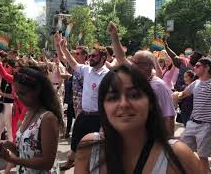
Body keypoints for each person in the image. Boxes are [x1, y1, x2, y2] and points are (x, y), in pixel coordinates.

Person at [74, 64, 203, 174]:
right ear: (103, 106)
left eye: (134, 95)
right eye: (113, 98)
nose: (123, 104)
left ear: (150, 102)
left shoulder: (177, 156)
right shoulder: (89, 149)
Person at [0, 66, 64, 173]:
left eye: (22, 93)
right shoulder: (29, 112)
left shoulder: (48, 118)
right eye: (16, 93)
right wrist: (6, 144)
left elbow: (47, 163)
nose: (18, 97)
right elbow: (23, 151)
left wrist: (10, 158)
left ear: (37, 91)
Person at [108, 22, 176, 136]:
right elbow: (121, 58)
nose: (132, 65)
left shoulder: (159, 86)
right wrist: (114, 34)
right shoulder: (136, 75)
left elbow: (168, 116)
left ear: (148, 66)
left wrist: (168, 145)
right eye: (133, 61)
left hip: (153, 137)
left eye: (136, 63)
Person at [54, 32, 109, 170]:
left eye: (94, 56)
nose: (90, 58)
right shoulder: (86, 70)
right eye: (90, 55)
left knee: (96, 149)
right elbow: (72, 62)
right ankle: (71, 161)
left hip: (98, 118)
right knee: (75, 142)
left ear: (103, 58)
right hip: (84, 115)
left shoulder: (108, 75)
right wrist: (64, 48)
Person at [172, 55, 211, 173]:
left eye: (197, 66)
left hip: (207, 125)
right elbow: (184, 94)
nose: (194, 67)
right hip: (192, 123)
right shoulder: (195, 83)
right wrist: (176, 95)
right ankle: (201, 169)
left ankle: (204, 170)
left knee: (203, 157)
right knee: (184, 151)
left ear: (206, 68)